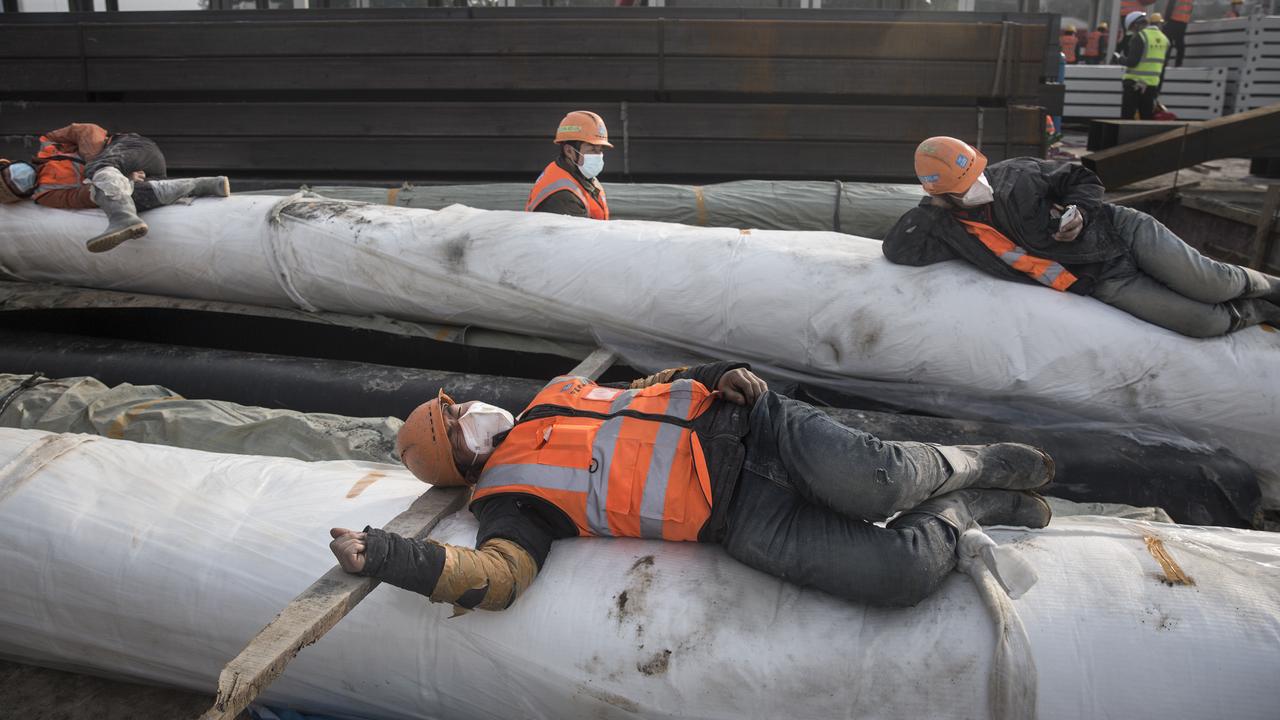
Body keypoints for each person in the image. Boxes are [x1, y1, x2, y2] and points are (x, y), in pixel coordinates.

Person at [329, 363, 1055, 611]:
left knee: (879, 481)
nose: (471, 409)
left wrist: (712, 377)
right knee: (897, 574)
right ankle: (967, 507)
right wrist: (394, 558)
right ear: (458, 462)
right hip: (737, 517)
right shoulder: (510, 503)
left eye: (456, 403)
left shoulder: (553, 392)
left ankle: (976, 463)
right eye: (455, 421)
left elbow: (648, 386)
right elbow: (495, 579)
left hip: (751, 426)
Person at [882, 136, 1280, 338]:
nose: (980, 185)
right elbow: (898, 249)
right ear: (943, 196)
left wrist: (1081, 212)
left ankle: (1269, 286)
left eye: (978, 174)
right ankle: (1264, 312)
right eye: (966, 186)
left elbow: (1082, 178)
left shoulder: (1018, 174)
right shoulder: (950, 228)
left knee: (1210, 283)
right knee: (1202, 322)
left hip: (1120, 231)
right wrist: (932, 208)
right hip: (1101, 279)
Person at [14, 123, 230, 253]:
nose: (17, 178)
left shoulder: (48, 143)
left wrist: (98, 164)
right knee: (124, 194)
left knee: (97, 173)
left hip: (133, 148)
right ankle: (207, 184)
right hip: (139, 179)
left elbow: (89, 130)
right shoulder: (45, 195)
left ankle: (122, 220)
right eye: (12, 183)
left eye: (8, 173)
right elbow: (82, 197)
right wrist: (124, 179)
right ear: (18, 193)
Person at [525, 110, 611, 219]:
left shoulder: (580, 175)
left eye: (600, 150)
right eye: (592, 149)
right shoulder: (563, 195)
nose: (598, 156)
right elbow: (580, 235)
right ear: (569, 151)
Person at [1118, 12, 1169, 120]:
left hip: (1134, 84)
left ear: (1136, 25)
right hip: (1151, 85)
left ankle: (1126, 137)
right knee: (1146, 118)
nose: (1132, 32)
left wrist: (1120, 59)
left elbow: (1132, 62)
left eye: (1131, 29)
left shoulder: (1140, 37)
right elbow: (1163, 67)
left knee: (1127, 118)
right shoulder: (1165, 39)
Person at [1163, 0, 1193, 66]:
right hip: (1184, 21)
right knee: (1179, 42)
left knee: (1168, 41)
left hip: (1173, 19)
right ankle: (1178, 63)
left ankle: (1164, 63)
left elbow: (1170, 5)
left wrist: (1166, 20)